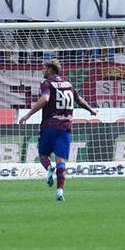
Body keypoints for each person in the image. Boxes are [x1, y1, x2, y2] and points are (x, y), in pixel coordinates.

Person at [17, 60, 98, 201]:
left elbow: (45, 99)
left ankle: (48, 168)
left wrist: (28, 114)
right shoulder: (69, 84)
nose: (42, 71)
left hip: (50, 125)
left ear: (50, 70)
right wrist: (91, 110)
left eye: (44, 68)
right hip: (66, 126)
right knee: (61, 160)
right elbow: (79, 100)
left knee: (43, 154)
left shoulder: (46, 83)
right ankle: (60, 191)